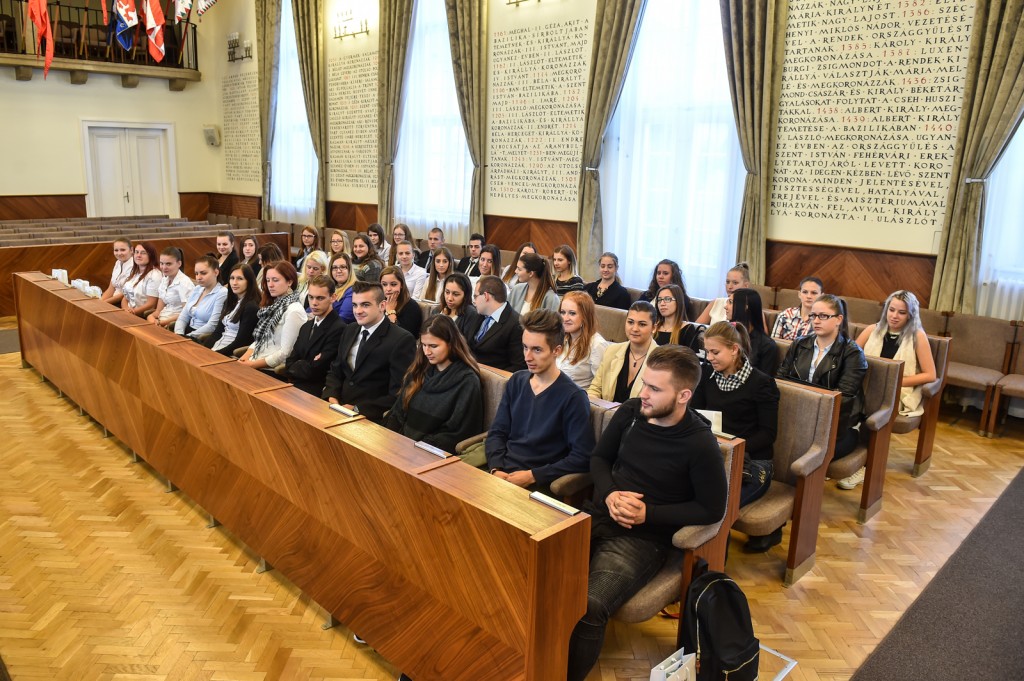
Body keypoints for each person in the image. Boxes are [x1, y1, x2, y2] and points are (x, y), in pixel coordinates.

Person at [566, 346, 727, 681]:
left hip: (643, 539)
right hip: (599, 514)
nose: (644, 394)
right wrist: (611, 494)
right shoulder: (631, 412)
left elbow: (712, 508)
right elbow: (599, 459)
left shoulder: (700, 443)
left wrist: (647, 514)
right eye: (644, 384)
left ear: (683, 395)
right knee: (536, 567)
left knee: (591, 604)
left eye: (655, 388)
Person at [774, 294, 867, 547]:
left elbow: (843, 399)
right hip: (796, 419)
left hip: (835, 427)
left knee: (800, 454)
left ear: (838, 319)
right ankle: (776, 513)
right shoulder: (800, 344)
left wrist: (805, 407)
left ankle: (793, 516)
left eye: (823, 316)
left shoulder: (852, 353)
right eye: (813, 315)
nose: (816, 320)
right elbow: (781, 381)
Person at [486, 309, 595, 489]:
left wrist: (533, 476)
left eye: (537, 350)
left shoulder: (573, 397)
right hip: (501, 472)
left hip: (538, 483)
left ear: (557, 350)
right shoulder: (517, 381)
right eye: (525, 347)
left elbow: (582, 456)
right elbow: (498, 431)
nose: (527, 357)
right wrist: (496, 467)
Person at [843, 290, 937, 489]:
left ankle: (866, 467)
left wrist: (896, 381)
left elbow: (930, 375)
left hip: (898, 392)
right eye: (891, 310)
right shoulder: (872, 330)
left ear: (910, 315)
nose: (894, 316)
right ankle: (843, 459)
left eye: (901, 312)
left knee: (871, 412)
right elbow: (850, 359)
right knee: (842, 403)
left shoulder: (918, 337)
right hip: (867, 387)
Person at [692, 321, 779, 511]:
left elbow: (768, 434)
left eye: (715, 352)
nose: (709, 357)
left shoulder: (762, 383)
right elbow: (694, 414)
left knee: (718, 506)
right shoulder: (706, 374)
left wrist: (731, 449)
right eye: (707, 352)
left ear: (734, 349)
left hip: (752, 460)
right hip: (713, 454)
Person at [384, 314, 484, 453]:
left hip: (429, 452)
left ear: (451, 344)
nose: (426, 352)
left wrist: (416, 449)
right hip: (402, 445)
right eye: (423, 345)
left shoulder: (467, 381)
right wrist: (389, 439)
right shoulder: (419, 369)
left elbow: (457, 432)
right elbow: (398, 411)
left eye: (433, 346)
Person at [323, 281, 417, 423]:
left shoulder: (401, 340)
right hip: (337, 408)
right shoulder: (349, 329)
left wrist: (357, 409)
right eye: (355, 305)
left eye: (365, 305)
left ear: (382, 306)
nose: (358, 311)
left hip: (370, 418)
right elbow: (336, 370)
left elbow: (399, 392)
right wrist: (332, 397)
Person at [238, 261, 307, 371]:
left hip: (271, 369)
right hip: (255, 361)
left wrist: (251, 365)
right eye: (268, 280)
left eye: (275, 280)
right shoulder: (274, 305)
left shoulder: (294, 310)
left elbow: (285, 353)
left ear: (289, 282)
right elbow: (260, 340)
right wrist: (243, 360)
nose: (270, 285)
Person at [284, 275, 346, 397]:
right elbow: (289, 361)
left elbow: (317, 371)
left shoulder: (339, 328)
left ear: (333, 297)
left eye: (320, 298)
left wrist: (298, 365)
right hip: (294, 385)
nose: (314, 303)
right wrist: (303, 365)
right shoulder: (306, 327)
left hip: (316, 392)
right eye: (311, 297)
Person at [588, 301, 659, 402]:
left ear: (654, 328)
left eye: (642, 324)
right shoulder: (611, 350)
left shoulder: (662, 361)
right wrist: (595, 404)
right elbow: (595, 388)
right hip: (606, 411)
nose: (634, 329)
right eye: (630, 322)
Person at [468, 275, 526, 372]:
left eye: (475, 296)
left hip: (491, 378)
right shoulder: (477, 315)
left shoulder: (516, 324)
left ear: (486, 296)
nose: (474, 301)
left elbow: (518, 366)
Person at [205, 263, 260, 356]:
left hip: (229, 354)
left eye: (240, 279)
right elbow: (218, 332)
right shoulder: (230, 301)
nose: (234, 283)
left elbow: (240, 342)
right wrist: (203, 350)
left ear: (249, 281)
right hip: (217, 348)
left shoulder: (251, 307)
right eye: (232, 278)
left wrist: (215, 354)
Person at [557, 291, 609, 390]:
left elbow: (600, 387)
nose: (565, 318)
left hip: (577, 397)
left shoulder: (597, 345)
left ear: (585, 316)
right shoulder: (561, 337)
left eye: (572, 313)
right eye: (563, 312)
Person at [728, 288, 779, 375]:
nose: (725, 306)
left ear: (745, 307)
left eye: (730, 302)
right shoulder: (725, 334)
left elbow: (764, 379)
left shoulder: (766, 345)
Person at [175, 256, 227, 340]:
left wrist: (187, 337)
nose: (198, 277)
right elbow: (183, 317)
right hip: (186, 332)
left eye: (203, 273)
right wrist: (178, 334)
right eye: (196, 273)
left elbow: (212, 325)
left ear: (216, 272)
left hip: (201, 337)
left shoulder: (222, 293)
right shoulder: (197, 289)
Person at [148, 246, 195, 328]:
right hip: (161, 320)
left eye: (168, 264)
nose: (164, 267)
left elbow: (186, 314)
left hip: (173, 325)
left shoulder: (184, 283)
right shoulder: (164, 279)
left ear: (179, 263)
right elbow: (158, 311)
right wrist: (150, 317)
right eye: (162, 263)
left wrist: (162, 322)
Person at [653, 284, 703, 353]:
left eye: (667, 299)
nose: (662, 303)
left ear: (678, 302)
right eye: (659, 300)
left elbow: (692, 358)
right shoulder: (654, 327)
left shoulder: (687, 329)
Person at [772, 276, 823, 341]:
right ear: (799, 294)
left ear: (821, 296)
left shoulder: (823, 320)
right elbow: (774, 341)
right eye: (805, 292)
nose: (809, 296)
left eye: (814, 293)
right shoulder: (786, 314)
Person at [434, 271, 480, 341]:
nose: (450, 298)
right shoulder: (437, 310)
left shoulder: (471, 314)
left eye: (456, 294)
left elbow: (466, 343)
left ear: (465, 295)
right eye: (447, 292)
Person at [120, 242, 162, 318]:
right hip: (128, 312)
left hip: (141, 316)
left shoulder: (155, 275)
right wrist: (125, 309)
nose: (138, 255)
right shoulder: (135, 272)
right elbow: (125, 298)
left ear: (151, 256)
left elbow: (151, 304)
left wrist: (132, 312)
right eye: (136, 252)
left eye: (143, 253)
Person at [380, 266, 423, 338]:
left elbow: (404, 337)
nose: (388, 289)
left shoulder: (411, 306)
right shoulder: (379, 302)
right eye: (384, 284)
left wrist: (390, 311)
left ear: (401, 285)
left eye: (393, 284)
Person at [100, 237, 133, 306]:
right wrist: (100, 301)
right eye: (116, 250)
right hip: (112, 300)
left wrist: (103, 303)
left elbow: (124, 294)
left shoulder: (135, 265)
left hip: (126, 303)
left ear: (131, 250)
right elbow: (111, 289)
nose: (119, 253)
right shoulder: (118, 262)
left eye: (123, 250)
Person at [328, 251, 357, 323]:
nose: (338, 271)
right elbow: (310, 309)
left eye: (343, 267)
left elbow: (344, 318)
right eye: (335, 267)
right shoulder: (329, 286)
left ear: (349, 269)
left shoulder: (353, 290)